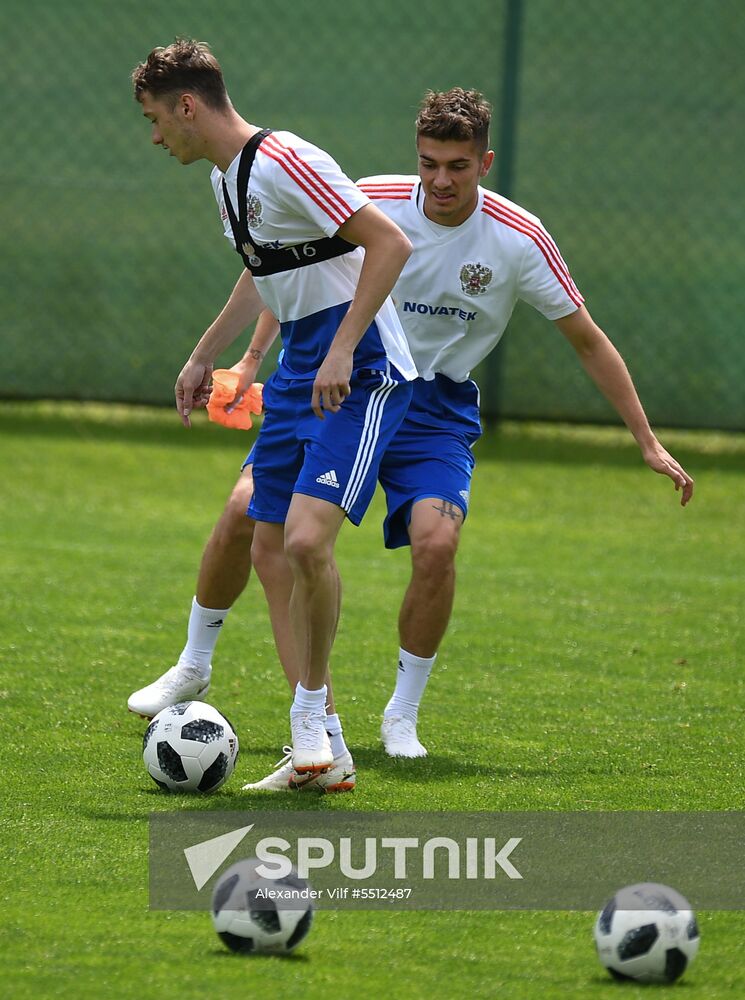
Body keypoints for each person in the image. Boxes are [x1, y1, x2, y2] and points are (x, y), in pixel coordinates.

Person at [129, 86, 694, 790]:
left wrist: (644, 440)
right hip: (336, 382)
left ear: (484, 162)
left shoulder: (518, 238)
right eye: (428, 163)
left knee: (433, 543)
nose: (440, 181)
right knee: (250, 515)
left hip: (427, 404)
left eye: (457, 166)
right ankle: (226, 678)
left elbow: (586, 340)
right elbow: (285, 267)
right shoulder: (366, 196)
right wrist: (246, 359)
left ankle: (398, 715)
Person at [129, 39, 418, 791]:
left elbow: (389, 244)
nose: (156, 136)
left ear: (188, 106)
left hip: (358, 363)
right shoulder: (228, 184)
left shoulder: (286, 157)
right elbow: (263, 278)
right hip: (300, 363)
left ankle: (311, 720)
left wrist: (343, 348)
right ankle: (327, 753)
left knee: (306, 540)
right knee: (266, 548)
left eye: (158, 119)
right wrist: (203, 357)